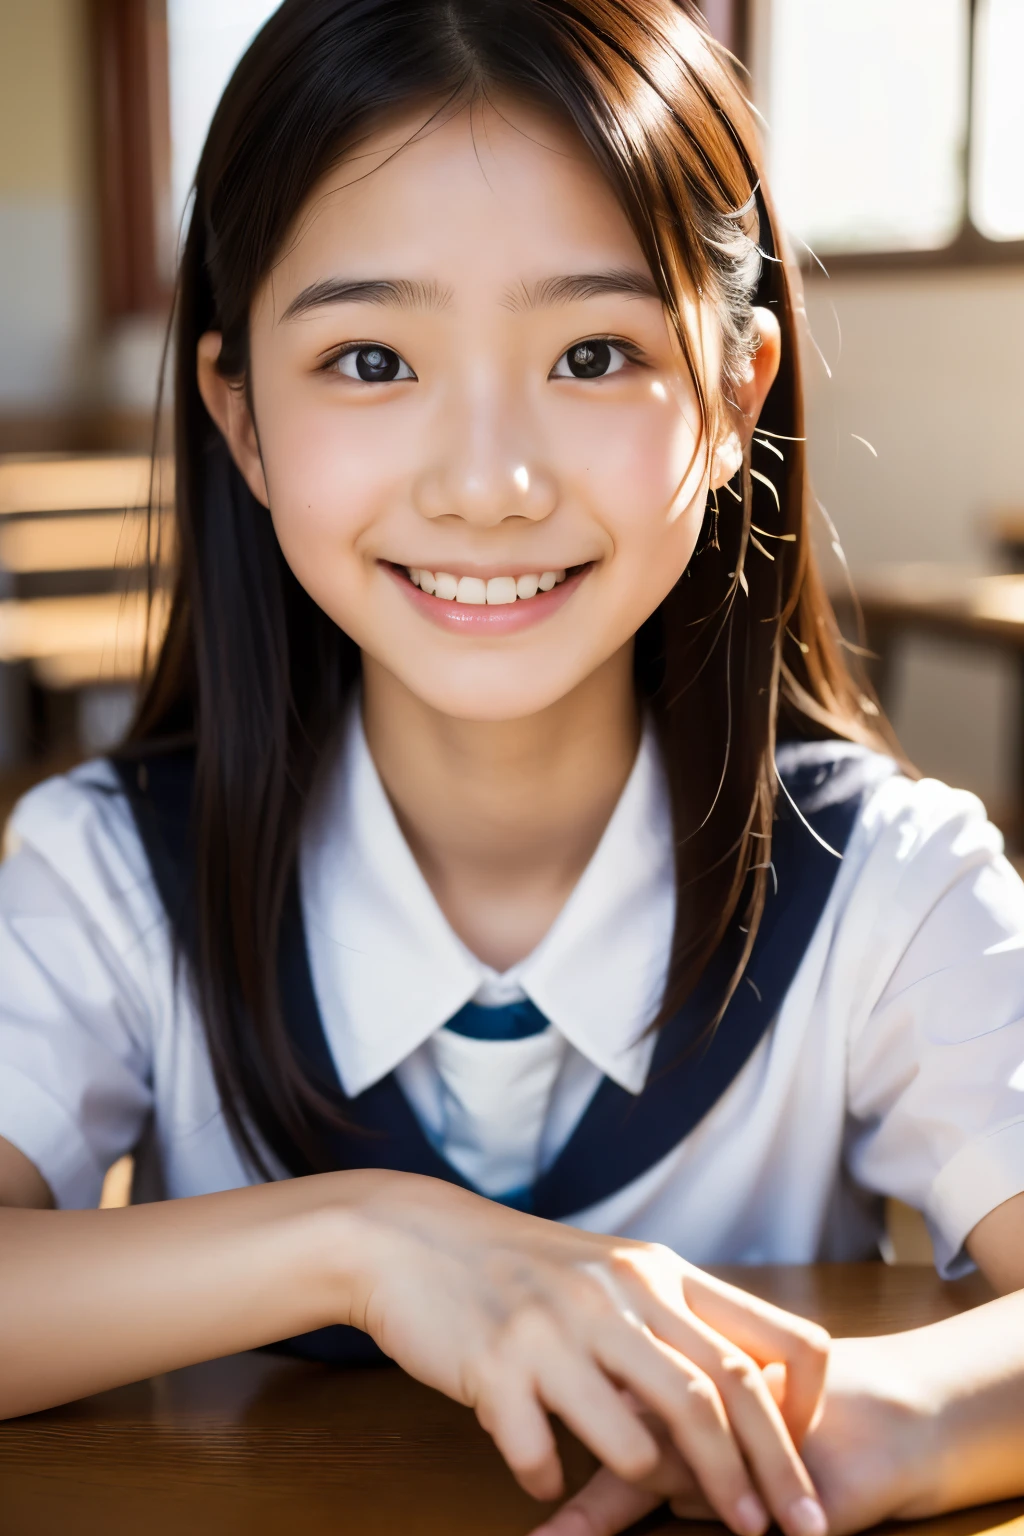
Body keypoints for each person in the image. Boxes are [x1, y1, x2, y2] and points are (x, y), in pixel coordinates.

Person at [0, 2, 1022, 1532]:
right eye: (368, 358)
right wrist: (370, 1241)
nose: (489, 483)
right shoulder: (108, 868)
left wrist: (889, 1420)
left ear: (738, 400)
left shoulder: (889, 883)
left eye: (595, 353)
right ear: (242, 420)